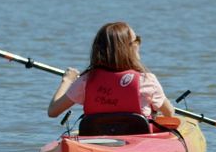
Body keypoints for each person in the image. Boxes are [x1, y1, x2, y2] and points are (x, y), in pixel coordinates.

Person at [47, 22, 176, 122]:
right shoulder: (147, 80)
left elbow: (53, 111)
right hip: (137, 141)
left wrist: (67, 80)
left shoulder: (86, 81)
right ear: (127, 49)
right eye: (136, 41)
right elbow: (169, 114)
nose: (139, 44)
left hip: (98, 140)